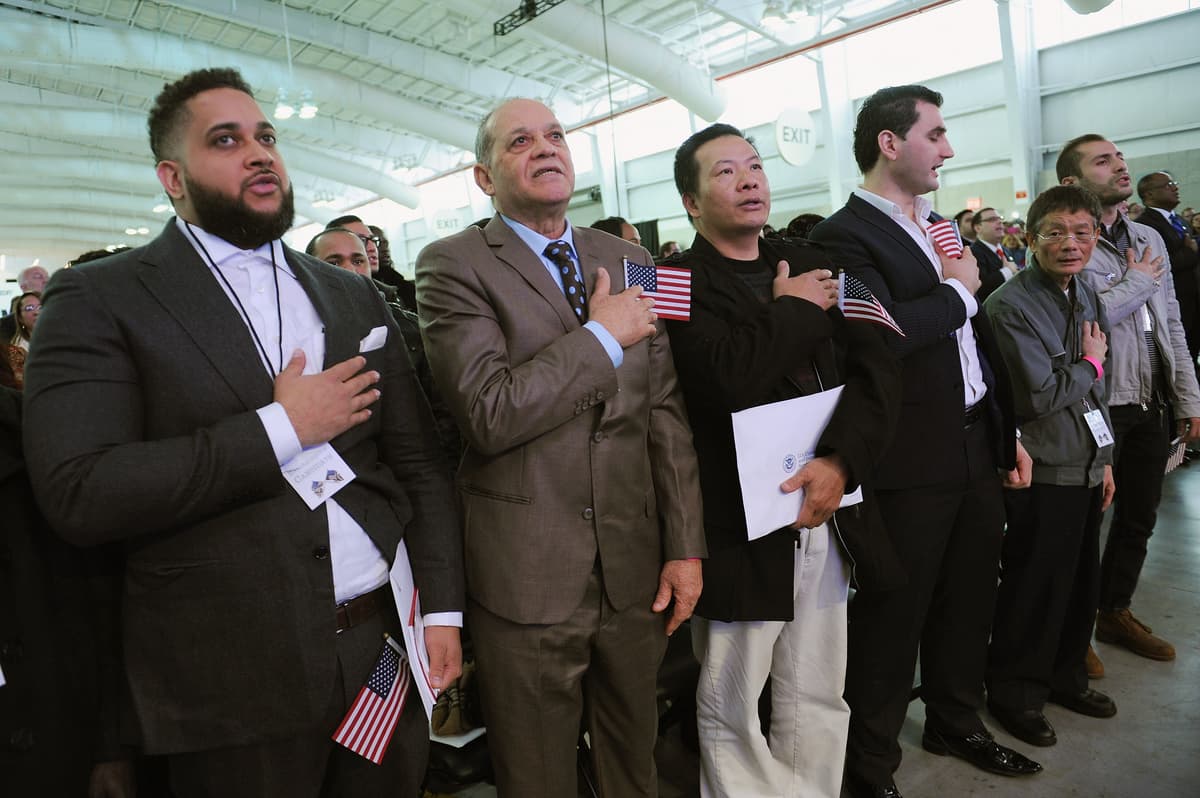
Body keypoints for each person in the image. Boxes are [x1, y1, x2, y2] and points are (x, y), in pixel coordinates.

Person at [22, 67, 464, 798]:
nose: (259, 153)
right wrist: (281, 429)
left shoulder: (349, 292)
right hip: (229, 678)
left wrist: (442, 612)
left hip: (381, 647)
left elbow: (416, 461)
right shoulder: (102, 296)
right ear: (173, 176)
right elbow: (82, 491)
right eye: (225, 140)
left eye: (267, 136)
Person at [416, 97, 706, 797]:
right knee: (538, 774)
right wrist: (603, 336)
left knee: (632, 760)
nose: (545, 148)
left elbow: (662, 411)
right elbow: (488, 411)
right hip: (527, 576)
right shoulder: (453, 265)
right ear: (484, 177)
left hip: (633, 571)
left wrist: (684, 544)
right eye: (519, 141)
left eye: (555, 135)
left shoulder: (629, 257)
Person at [809, 85, 1039, 798]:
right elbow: (884, 333)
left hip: (974, 443)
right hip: (909, 459)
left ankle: (954, 719)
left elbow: (974, 343)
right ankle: (869, 768)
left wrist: (1006, 433)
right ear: (888, 143)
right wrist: (960, 291)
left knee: (970, 599)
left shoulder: (939, 227)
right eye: (935, 135)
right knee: (892, 619)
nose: (948, 149)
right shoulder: (844, 236)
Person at [664, 122, 903, 798]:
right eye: (725, 172)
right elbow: (722, 383)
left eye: (756, 166)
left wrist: (842, 462)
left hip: (826, 506)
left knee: (819, 688)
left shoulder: (821, 259)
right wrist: (794, 312)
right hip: (741, 523)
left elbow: (879, 372)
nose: (748, 180)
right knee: (731, 700)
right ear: (691, 201)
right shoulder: (672, 281)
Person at [983, 184, 1118, 750]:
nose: (1071, 243)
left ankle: (1065, 677)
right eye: (1056, 232)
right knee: (1035, 589)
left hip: (1087, 463)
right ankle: (1015, 694)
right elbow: (1037, 395)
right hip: (1042, 469)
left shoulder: (1086, 290)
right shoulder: (1010, 305)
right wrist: (1089, 361)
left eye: (1082, 232)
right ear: (1031, 239)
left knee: (1080, 585)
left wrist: (1106, 459)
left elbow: (1094, 389)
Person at [1057, 135, 1200, 666]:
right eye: (1103, 161)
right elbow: (1078, 326)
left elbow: (1171, 323)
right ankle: (1073, 633)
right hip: (1097, 401)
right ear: (1071, 182)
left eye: (1118, 157)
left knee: (1140, 516)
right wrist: (1137, 283)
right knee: (1084, 522)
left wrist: (1188, 396)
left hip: (1151, 398)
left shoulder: (1147, 237)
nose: (1119, 165)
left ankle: (1114, 611)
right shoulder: (1066, 236)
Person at [1136, 171, 1200, 366]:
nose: (1175, 187)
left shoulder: (1179, 220)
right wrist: (1191, 253)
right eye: (1168, 185)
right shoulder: (1144, 224)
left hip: (1194, 299)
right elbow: (1158, 264)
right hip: (1175, 303)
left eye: (1174, 182)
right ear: (1149, 194)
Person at [970, 207, 1019, 302]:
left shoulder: (1005, 250)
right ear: (978, 228)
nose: (999, 222)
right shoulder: (973, 253)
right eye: (992, 219)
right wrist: (1008, 271)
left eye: (1000, 218)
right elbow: (980, 286)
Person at [4, 292, 40, 390]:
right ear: (20, 318)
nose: (37, 312)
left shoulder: (63, 339)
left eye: (40, 307)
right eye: (29, 308)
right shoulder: (16, 350)